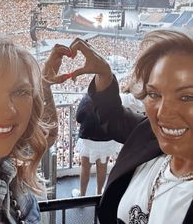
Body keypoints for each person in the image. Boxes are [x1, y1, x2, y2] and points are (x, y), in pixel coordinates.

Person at [65, 30, 193, 224]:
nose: (163, 114)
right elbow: (113, 116)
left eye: (187, 97)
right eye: (154, 94)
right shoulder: (148, 136)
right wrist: (104, 74)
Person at [0, 33, 70, 224]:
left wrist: (44, 83)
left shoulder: (7, 162)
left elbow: (45, 134)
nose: (8, 111)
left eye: (20, 92)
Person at [72, 94, 121, 197]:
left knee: (85, 169)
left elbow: (79, 117)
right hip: (107, 139)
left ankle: (82, 195)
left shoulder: (88, 97)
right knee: (102, 168)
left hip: (89, 139)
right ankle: (99, 194)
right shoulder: (114, 97)